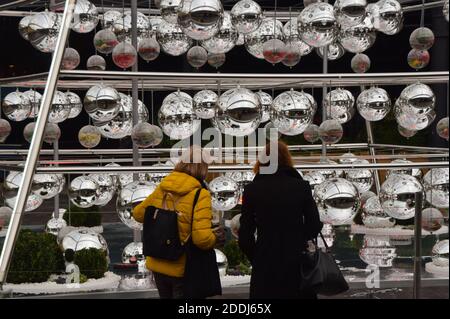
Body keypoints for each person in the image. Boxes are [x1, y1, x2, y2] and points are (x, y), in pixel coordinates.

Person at [133, 146, 224, 299]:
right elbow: (201, 239)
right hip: (181, 267)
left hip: (158, 264)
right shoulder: (200, 194)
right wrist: (215, 238)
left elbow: (138, 214)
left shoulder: (163, 187)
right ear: (203, 168)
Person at [238, 141, 323, 299]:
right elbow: (314, 225)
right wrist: (299, 241)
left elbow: (245, 236)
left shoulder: (252, 190)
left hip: (265, 262)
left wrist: (257, 257)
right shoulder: (301, 187)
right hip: (297, 263)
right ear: (287, 159)